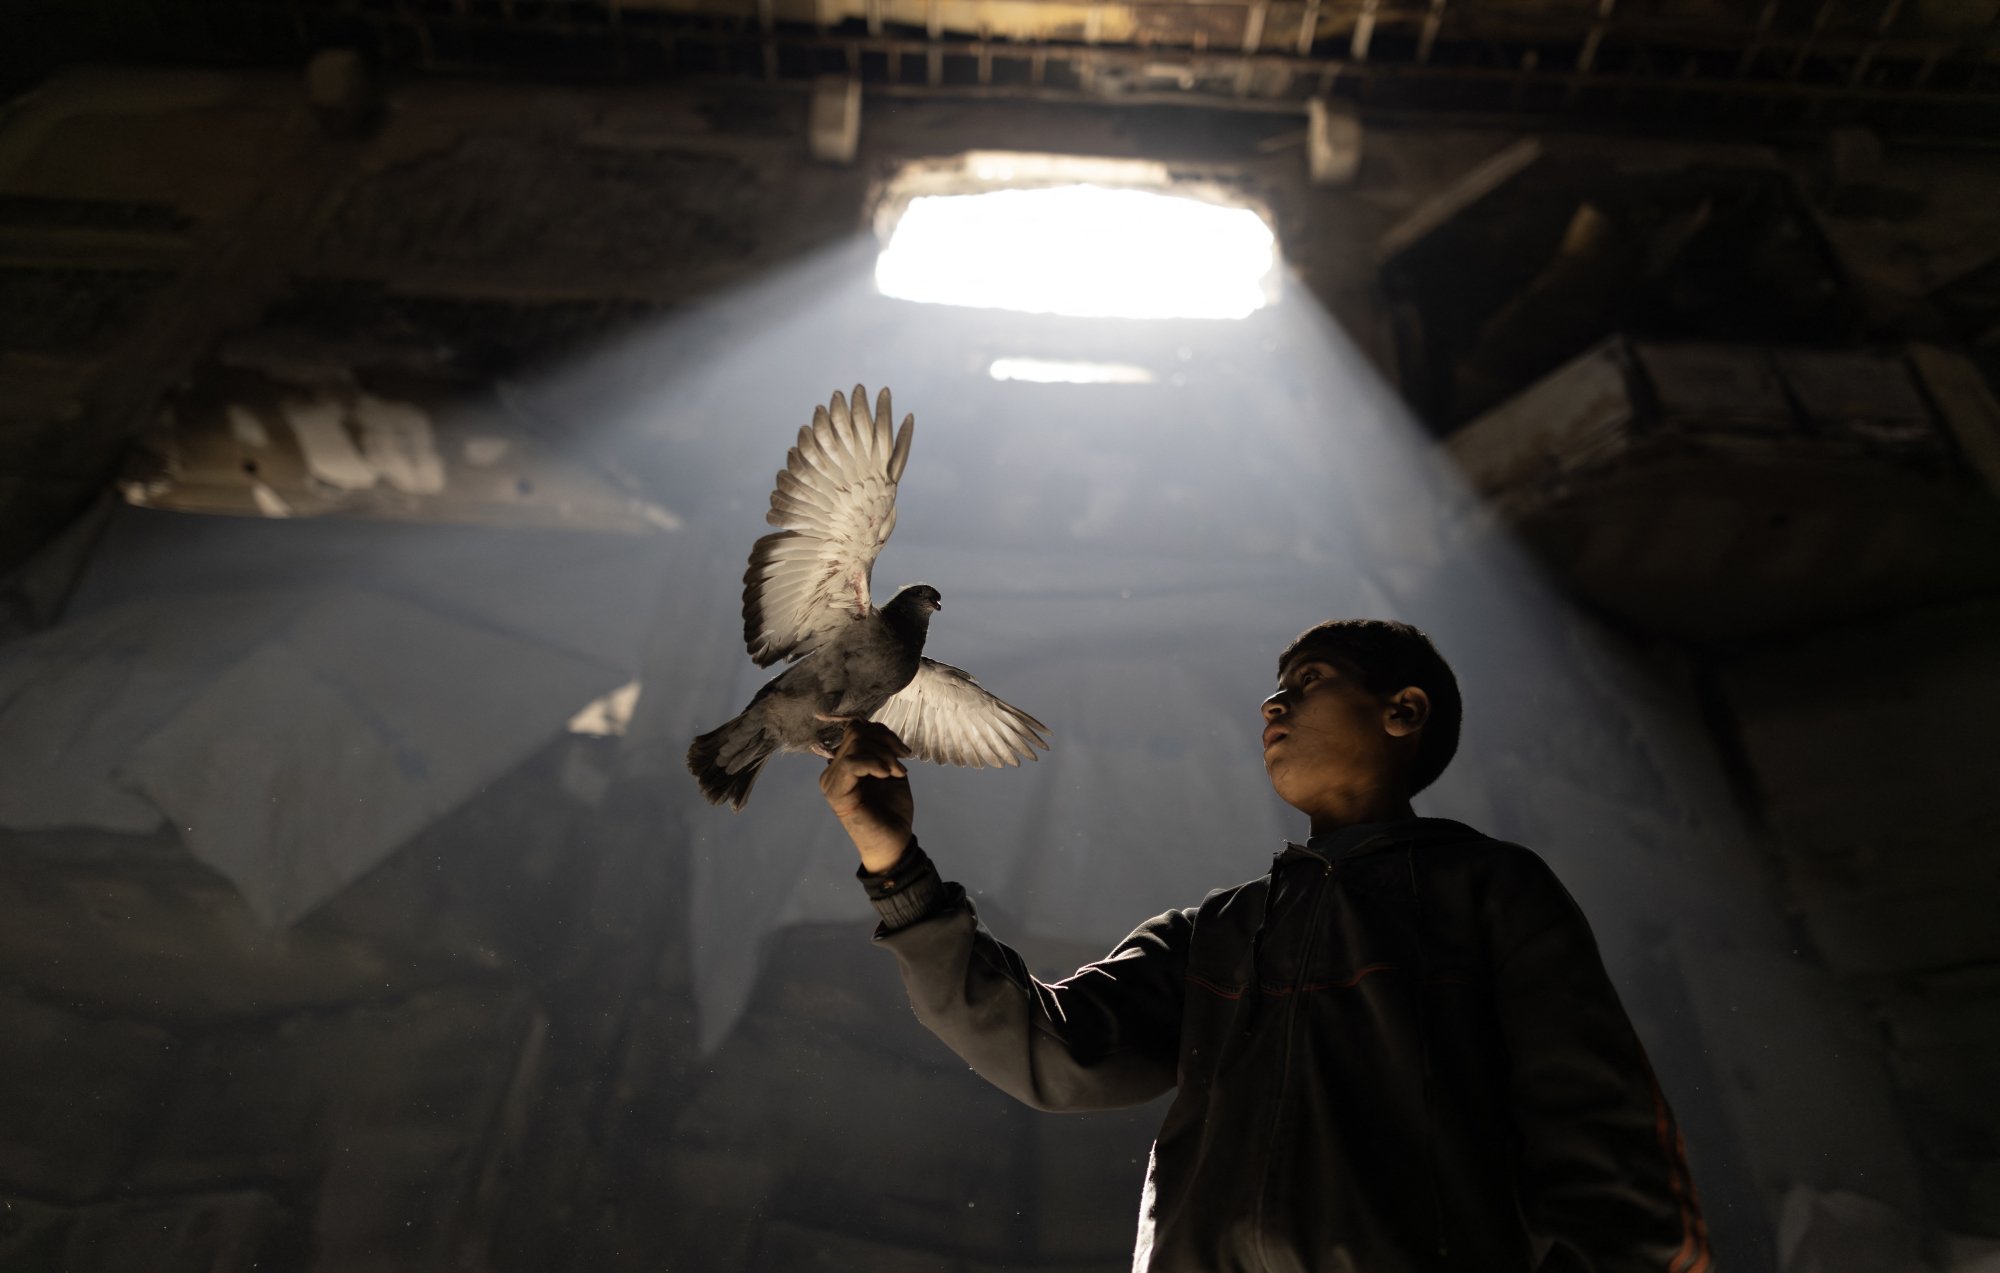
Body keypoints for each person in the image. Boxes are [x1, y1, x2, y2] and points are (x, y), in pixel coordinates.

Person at [820, 618, 1712, 1272]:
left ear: (1403, 710)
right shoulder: (1219, 933)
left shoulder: (1488, 892)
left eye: (1309, 678)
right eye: (1276, 684)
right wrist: (892, 860)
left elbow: (1609, 1150)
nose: (1271, 701)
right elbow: (1047, 1053)